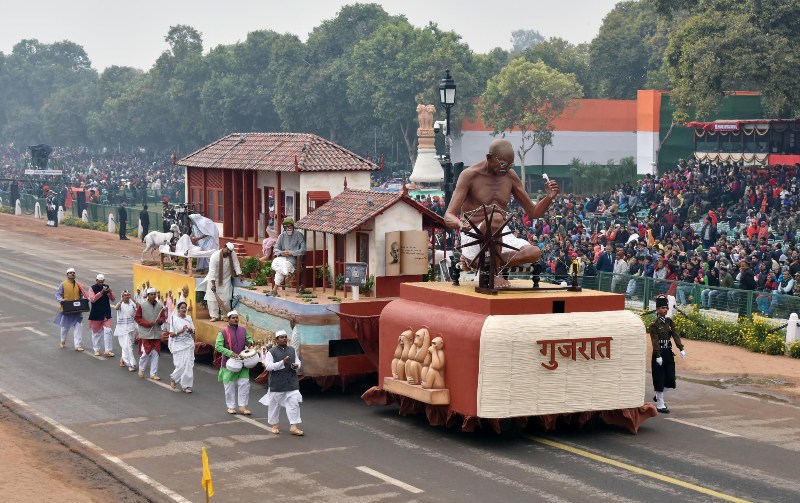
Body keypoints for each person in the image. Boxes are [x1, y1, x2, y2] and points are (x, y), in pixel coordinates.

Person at [443, 139, 559, 287]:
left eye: (510, 165)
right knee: (496, 217)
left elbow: (534, 212)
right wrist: (460, 223)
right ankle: (492, 274)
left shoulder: (510, 176)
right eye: (503, 164)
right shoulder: (469, 175)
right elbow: (448, 216)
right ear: (489, 158)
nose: (506, 169)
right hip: (474, 235)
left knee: (534, 252)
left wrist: (549, 197)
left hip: (502, 235)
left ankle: (482, 264)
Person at [259, 330, 304, 436]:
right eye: (282, 337)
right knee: (274, 405)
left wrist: (297, 366)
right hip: (277, 383)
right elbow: (268, 366)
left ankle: (294, 426)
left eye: (285, 337)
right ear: (276, 340)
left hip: (291, 382)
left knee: (294, 403)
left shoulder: (292, 350)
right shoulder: (271, 352)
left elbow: (298, 361)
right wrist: (282, 363)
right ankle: (275, 425)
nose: (284, 339)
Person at [650, 294, 686, 414]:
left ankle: (658, 396)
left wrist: (681, 348)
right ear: (657, 309)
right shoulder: (654, 325)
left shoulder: (669, 322)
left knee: (670, 378)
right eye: (662, 308)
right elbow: (655, 341)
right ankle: (660, 404)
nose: (665, 310)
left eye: (666, 307)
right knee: (659, 379)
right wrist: (658, 355)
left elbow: (675, 335)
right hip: (659, 353)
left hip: (668, 352)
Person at [215, 310, 254, 414]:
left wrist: (250, 343)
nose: (236, 319)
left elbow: (250, 340)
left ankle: (243, 406)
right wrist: (230, 353)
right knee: (229, 385)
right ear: (228, 319)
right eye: (233, 318)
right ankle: (231, 406)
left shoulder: (243, 330)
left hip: (242, 362)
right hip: (229, 363)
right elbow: (218, 346)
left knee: (244, 384)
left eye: (237, 317)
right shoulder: (223, 332)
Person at [204, 242, 242, 321]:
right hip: (213, 279)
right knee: (212, 299)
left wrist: (239, 274)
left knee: (226, 298)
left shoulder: (232, 254)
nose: (228, 252)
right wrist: (213, 285)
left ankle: (225, 315)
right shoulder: (215, 256)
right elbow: (212, 271)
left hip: (226, 278)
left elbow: (236, 263)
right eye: (227, 250)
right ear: (224, 247)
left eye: (230, 251)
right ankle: (214, 316)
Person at [134, 288, 165, 380]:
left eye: (154, 294)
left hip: (156, 333)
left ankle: (153, 374)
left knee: (156, 353)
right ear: (148, 295)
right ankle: (142, 369)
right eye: (151, 294)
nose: (153, 296)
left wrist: (160, 321)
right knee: (146, 353)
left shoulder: (160, 306)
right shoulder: (142, 305)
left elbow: (163, 317)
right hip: (146, 333)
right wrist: (147, 323)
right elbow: (137, 318)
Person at [271, 218, 306, 295]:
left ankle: (274, 290)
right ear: (284, 227)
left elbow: (303, 250)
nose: (288, 228)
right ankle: (287, 274)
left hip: (292, 260)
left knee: (284, 266)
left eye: (290, 226)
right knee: (275, 263)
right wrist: (281, 252)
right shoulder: (281, 236)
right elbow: (275, 249)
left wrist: (292, 253)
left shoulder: (299, 235)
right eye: (286, 226)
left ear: (293, 226)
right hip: (282, 258)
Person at [54, 267, 86, 351]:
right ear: (67, 274)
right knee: (65, 327)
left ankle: (77, 345)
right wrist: (61, 300)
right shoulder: (63, 284)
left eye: (73, 273)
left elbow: (81, 294)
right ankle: (62, 341)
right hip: (67, 309)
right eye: (70, 273)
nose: (72, 274)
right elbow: (58, 295)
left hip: (77, 310)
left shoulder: (78, 285)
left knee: (78, 327)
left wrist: (82, 300)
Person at [168, 301, 195, 393]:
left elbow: (193, 331)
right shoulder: (174, 319)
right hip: (178, 345)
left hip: (188, 344)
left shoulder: (189, 318)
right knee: (180, 366)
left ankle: (186, 386)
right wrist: (181, 330)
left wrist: (190, 330)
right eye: (182, 308)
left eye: (185, 308)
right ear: (178, 309)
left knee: (188, 365)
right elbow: (171, 334)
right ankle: (174, 379)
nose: (184, 309)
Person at [87, 274, 116, 357]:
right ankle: (96, 349)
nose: (101, 283)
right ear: (96, 280)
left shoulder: (106, 287)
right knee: (96, 333)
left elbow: (113, 299)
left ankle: (108, 350)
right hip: (96, 313)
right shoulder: (92, 288)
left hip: (106, 313)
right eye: (99, 282)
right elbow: (92, 299)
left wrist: (110, 291)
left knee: (108, 331)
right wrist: (101, 292)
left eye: (102, 282)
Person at [113, 290, 138, 371]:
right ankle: (131, 364)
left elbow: (139, 306)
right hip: (123, 329)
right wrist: (121, 300)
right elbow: (116, 308)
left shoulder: (131, 303)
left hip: (132, 327)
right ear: (122, 296)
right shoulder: (120, 304)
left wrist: (133, 299)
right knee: (129, 346)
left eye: (128, 295)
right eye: (125, 295)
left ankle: (123, 359)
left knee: (126, 346)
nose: (127, 297)